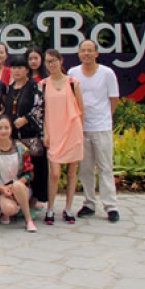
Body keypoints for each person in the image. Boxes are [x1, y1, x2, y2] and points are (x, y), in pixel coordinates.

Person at [68, 39, 121, 223]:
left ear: (96, 53)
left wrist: (105, 118)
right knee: (85, 168)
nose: (86, 54)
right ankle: (89, 203)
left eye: (90, 50)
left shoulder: (107, 73)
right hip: (81, 128)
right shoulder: (73, 73)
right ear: (79, 53)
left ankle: (111, 206)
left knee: (105, 167)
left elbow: (114, 99)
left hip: (101, 127)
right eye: (83, 50)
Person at [41, 49, 85, 226]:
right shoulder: (43, 85)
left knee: (72, 172)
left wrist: (81, 131)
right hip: (54, 132)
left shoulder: (73, 83)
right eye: (48, 61)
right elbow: (41, 112)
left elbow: (81, 109)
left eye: (53, 60)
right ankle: (50, 208)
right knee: (54, 173)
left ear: (60, 61)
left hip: (72, 131)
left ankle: (68, 208)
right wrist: (45, 132)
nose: (51, 64)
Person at [3, 55, 47, 208]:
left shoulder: (34, 86)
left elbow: (40, 106)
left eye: (20, 68)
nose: (16, 71)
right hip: (14, 137)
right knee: (18, 168)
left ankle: (35, 199)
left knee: (35, 168)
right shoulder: (9, 88)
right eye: (14, 68)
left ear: (27, 70)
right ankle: (18, 199)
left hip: (31, 135)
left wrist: (26, 119)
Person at [0, 115, 37, 232]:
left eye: (6, 128)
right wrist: (1, 188)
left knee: (17, 186)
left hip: (20, 187)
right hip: (2, 190)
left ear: (11, 129)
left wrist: (15, 185)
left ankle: (28, 219)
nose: (3, 131)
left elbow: (29, 173)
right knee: (9, 209)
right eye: (0, 128)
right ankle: (5, 209)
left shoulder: (21, 148)